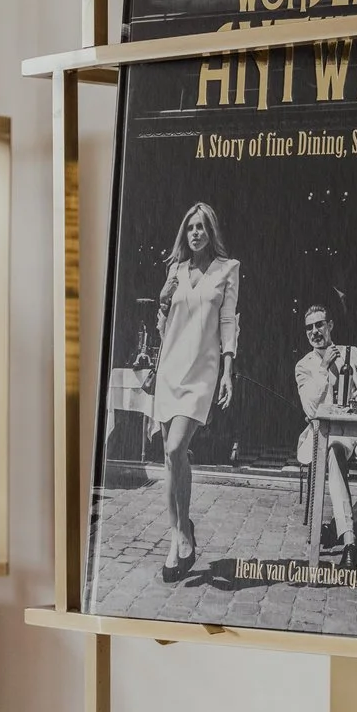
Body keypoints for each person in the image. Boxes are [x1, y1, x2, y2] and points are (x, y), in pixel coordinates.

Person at [149, 202, 239, 582]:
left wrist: (228, 373)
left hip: (202, 371)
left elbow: (228, 321)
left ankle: (181, 532)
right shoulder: (175, 271)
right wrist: (163, 300)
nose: (196, 233)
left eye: (202, 227)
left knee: (175, 448)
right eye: (190, 228)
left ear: (211, 231)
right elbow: (162, 328)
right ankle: (179, 537)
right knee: (173, 459)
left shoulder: (228, 270)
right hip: (171, 368)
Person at [292, 304, 357, 567]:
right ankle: (350, 541)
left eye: (319, 325)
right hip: (331, 434)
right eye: (309, 328)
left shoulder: (352, 354)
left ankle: (342, 522)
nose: (315, 331)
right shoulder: (304, 366)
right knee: (334, 453)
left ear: (330, 326)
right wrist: (324, 369)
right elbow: (311, 409)